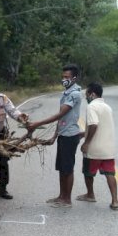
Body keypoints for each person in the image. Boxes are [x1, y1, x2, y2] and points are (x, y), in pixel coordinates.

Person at [26, 63, 84, 208]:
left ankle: (67, 200)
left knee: (67, 168)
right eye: (63, 76)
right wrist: (54, 135)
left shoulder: (75, 94)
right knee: (61, 167)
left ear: (74, 78)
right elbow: (62, 120)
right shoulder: (66, 92)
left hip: (70, 136)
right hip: (63, 135)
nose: (64, 79)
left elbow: (60, 114)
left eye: (67, 77)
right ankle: (61, 196)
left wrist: (37, 123)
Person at [77, 83, 118, 210]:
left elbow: (94, 125)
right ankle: (115, 201)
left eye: (87, 95)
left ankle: (90, 194)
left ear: (92, 94)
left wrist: (86, 142)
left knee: (88, 172)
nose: (86, 97)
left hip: (94, 148)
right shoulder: (107, 107)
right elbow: (101, 126)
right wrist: (83, 134)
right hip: (108, 148)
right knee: (110, 173)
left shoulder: (92, 106)